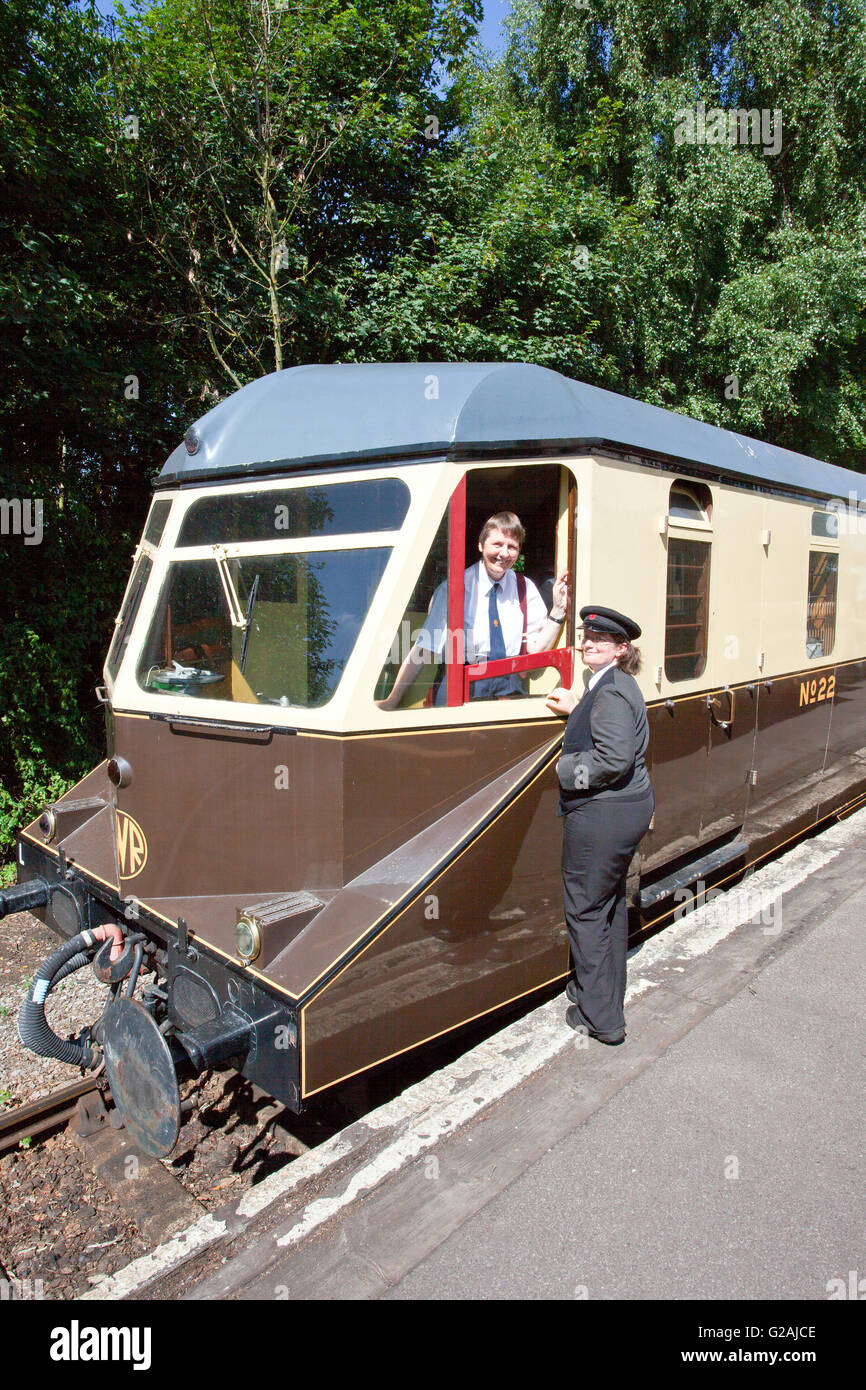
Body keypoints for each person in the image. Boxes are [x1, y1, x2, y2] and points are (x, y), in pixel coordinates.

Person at [545, 606, 654, 1044]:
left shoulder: (608, 691)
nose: (589, 643)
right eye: (586, 637)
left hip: (602, 815)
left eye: (600, 640)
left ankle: (601, 1019)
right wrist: (576, 711)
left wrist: (565, 770)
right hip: (628, 809)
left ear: (621, 649)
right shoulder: (614, 684)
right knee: (609, 905)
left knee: (586, 910)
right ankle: (601, 991)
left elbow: (613, 758)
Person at [377, 511, 569, 709]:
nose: (504, 553)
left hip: (508, 689)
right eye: (497, 544)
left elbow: (535, 650)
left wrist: (558, 610)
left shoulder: (525, 588)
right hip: (459, 682)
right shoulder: (455, 588)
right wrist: (394, 699)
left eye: (512, 547)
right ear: (480, 545)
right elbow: (424, 649)